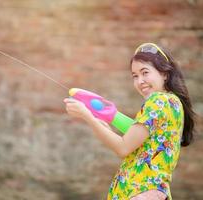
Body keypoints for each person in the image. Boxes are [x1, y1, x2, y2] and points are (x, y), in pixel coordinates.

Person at [63, 43, 195, 200]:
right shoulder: (171, 102)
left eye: (145, 72)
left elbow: (123, 147)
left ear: (165, 73)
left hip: (142, 193)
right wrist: (108, 117)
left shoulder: (158, 100)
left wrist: (88, 117)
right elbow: (137, 134)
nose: (140, 81)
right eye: (135, 76)